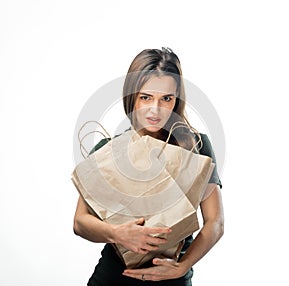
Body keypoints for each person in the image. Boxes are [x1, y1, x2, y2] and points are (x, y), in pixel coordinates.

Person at [73, 47, 224, 285]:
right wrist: (116, 233)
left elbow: (215, 222)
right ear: (132, 96)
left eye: (166, 99)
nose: (156, 109)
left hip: (171, 276)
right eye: (146, 97)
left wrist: (182, 267)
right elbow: (80, 222)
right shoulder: (108, 150)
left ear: (177, 100)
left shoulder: (196, 146)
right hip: (114, 277)